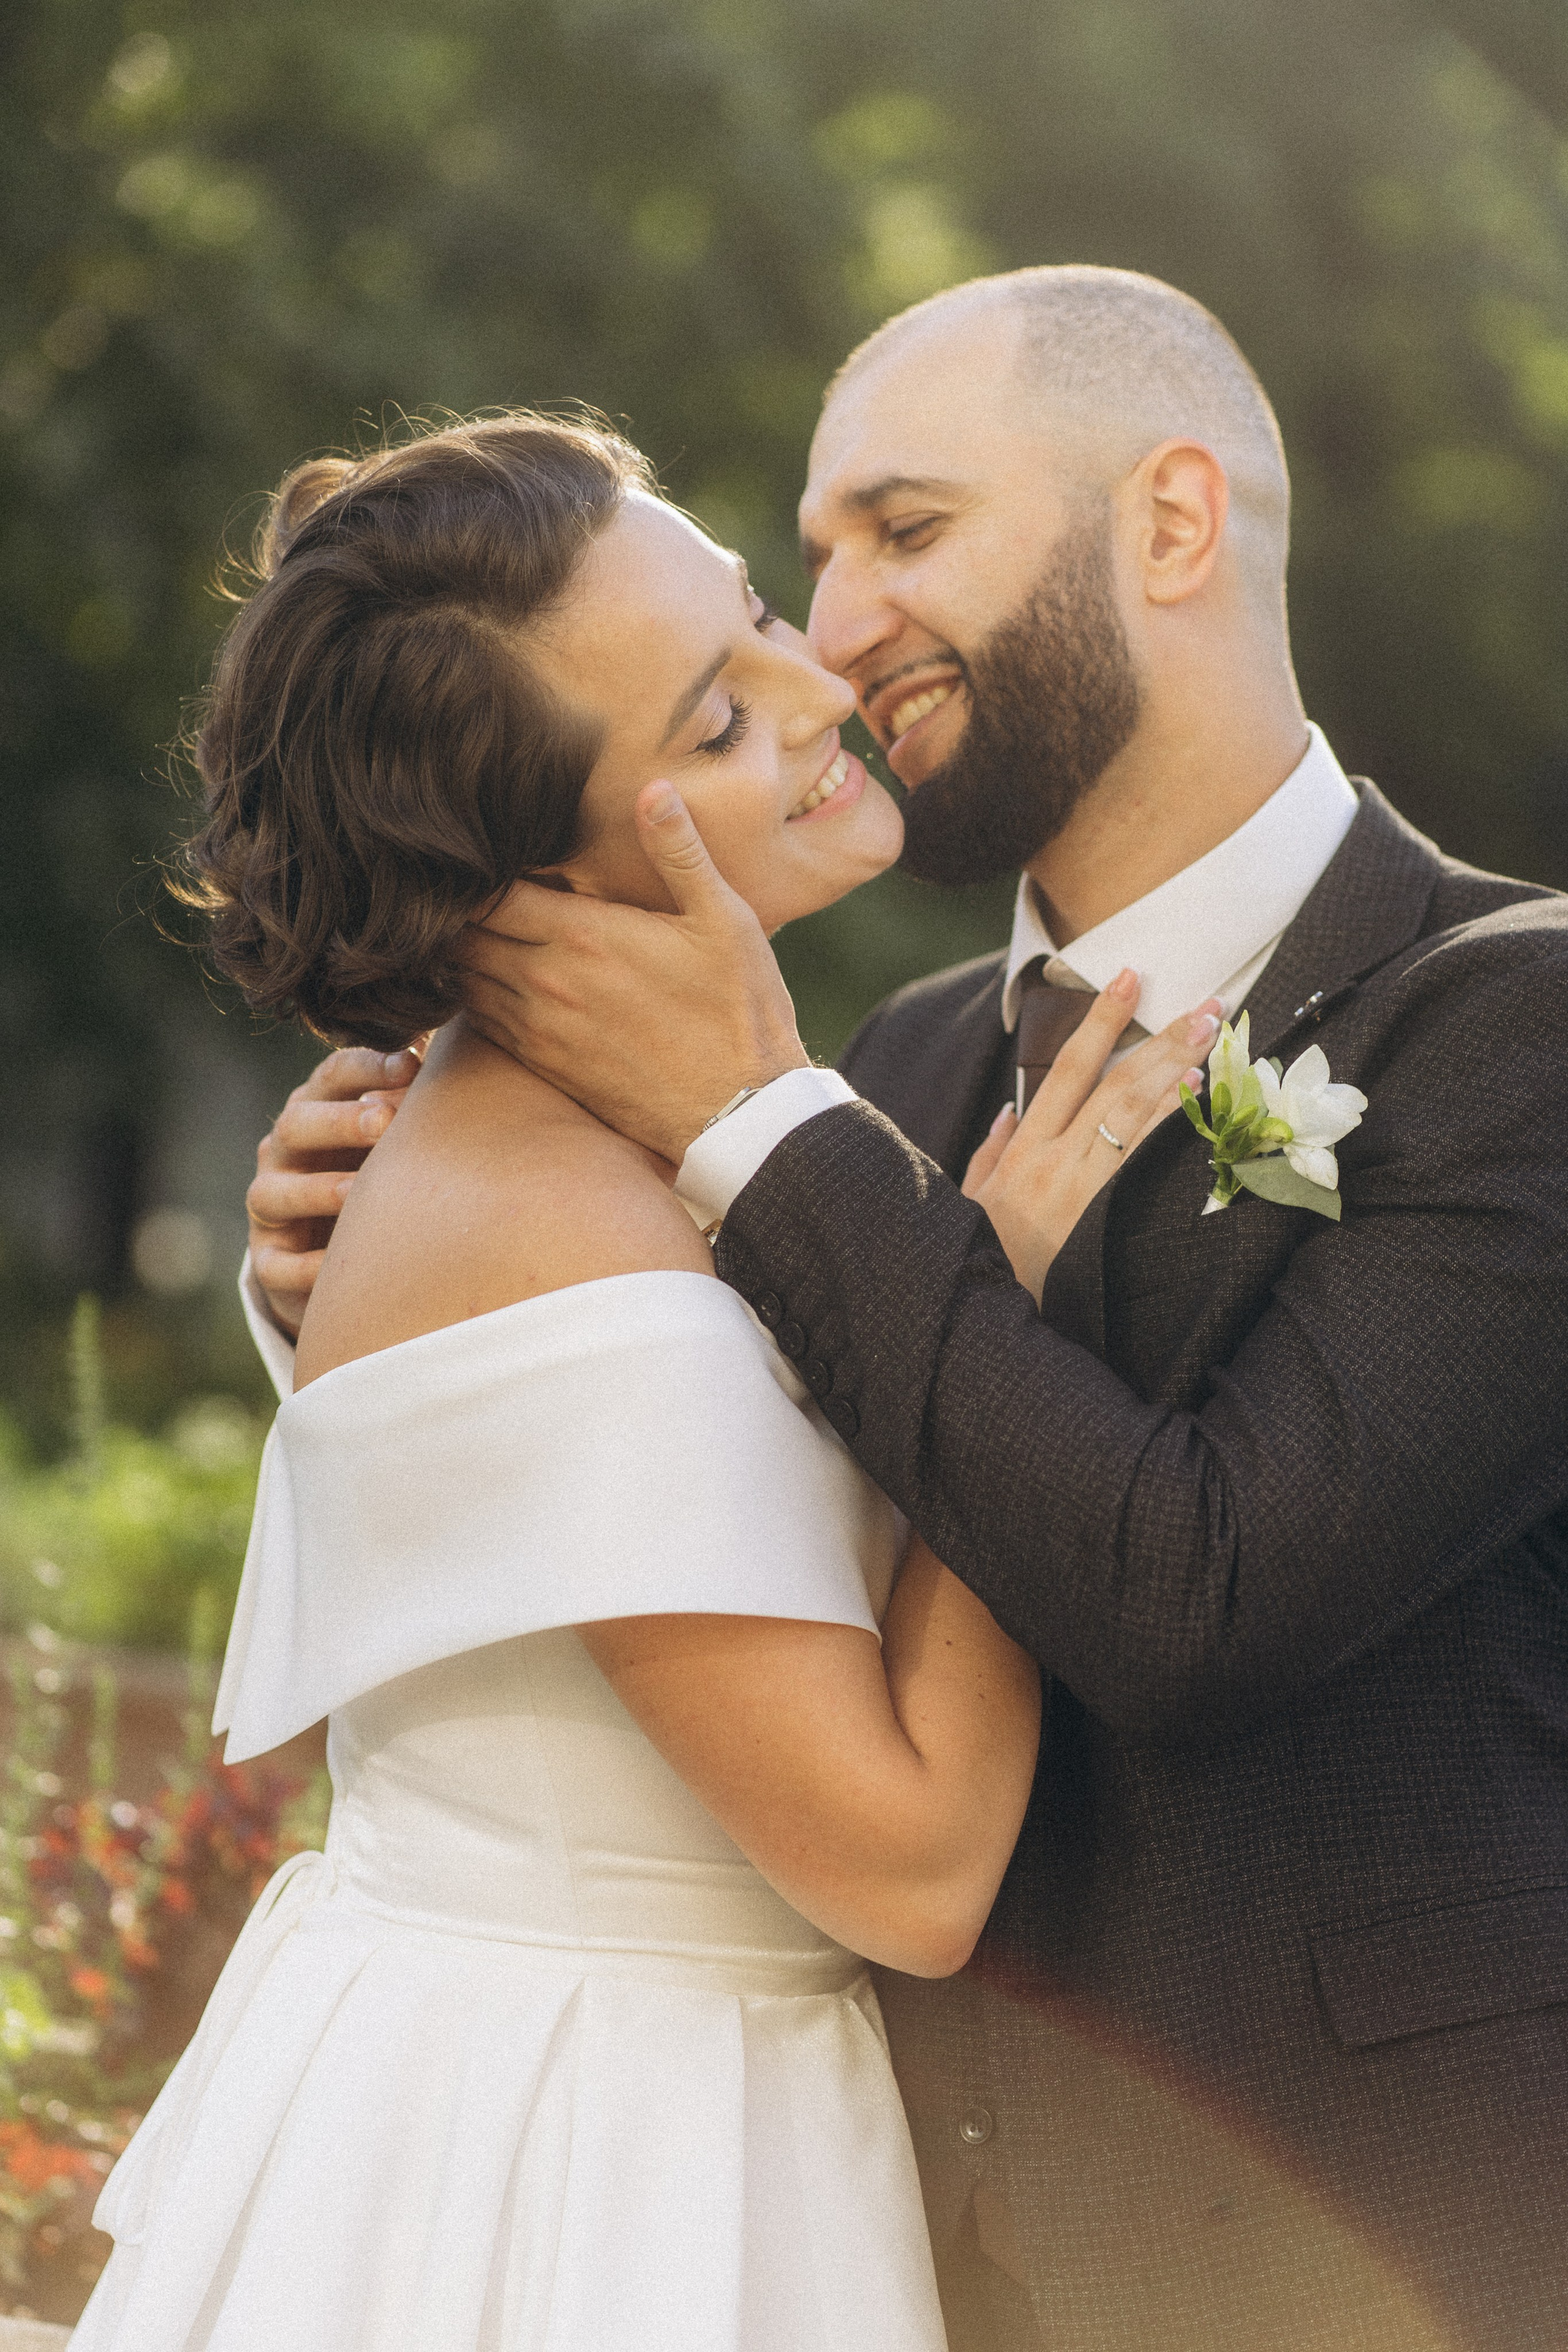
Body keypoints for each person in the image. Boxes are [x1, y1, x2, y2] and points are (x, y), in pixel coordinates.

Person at [255, 269, 1568, 2351]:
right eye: (813, 556)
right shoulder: (890, 1067)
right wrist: (374, 1280)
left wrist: (754, 1131)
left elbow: (1202, 1595)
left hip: (1366, 2267)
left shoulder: (1519, 1021)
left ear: (1170, 522)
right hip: (871, 2248)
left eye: (907, 530)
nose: (841, 625)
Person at [75, 410, 1216, 2352]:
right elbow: (917, 1870)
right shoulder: (567, 1239)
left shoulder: (599, 1150)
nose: (817, 681)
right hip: (596, 2169)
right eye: (714, 723)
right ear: (528, 878)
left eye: (757, 613)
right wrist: (989, 1299)